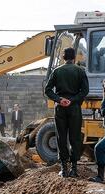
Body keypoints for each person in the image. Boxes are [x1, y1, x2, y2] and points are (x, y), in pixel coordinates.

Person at [44, 47, 89, 178]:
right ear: (74, 57)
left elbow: (48, 90)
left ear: (63, 58)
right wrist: (72, 100)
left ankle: (64, 169)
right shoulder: (80, 71)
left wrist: (59, 99)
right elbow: (85, 91)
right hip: (74, 108)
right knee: (75, 137)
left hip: (60, 108)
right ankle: (74, 169)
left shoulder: (56, 71)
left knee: (61, 137)